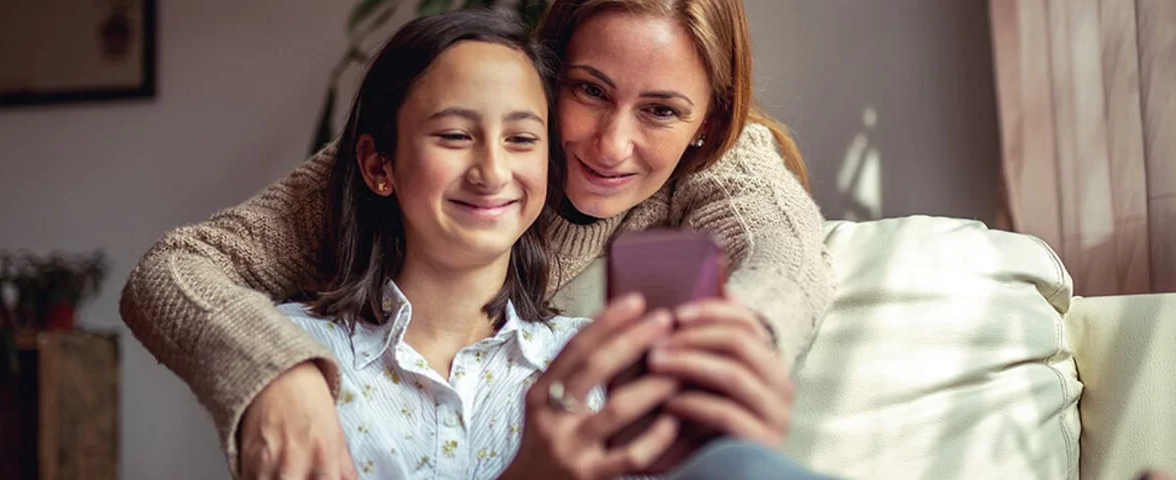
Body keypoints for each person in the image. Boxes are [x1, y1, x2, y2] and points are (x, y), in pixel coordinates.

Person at [119, 0, 833, 478]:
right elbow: (177, 269)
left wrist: (728, 351)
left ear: (708, 120)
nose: (614, 145)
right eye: (587, 91)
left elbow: (787, 257)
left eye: (661, 111)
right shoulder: (435, 141)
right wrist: (277, 371)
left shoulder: (719, 155)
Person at [270, 11, 696, 478]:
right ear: (378, 166)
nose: (492, 172)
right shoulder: (290, 354)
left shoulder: (594, 365)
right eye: (455, 136)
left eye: (521, 138)